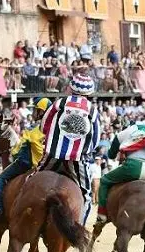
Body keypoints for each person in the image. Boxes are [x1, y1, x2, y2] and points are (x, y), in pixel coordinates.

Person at [37, 74, 100, 225]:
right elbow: (95, 140)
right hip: (76, 159)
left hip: (52, 155)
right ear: (89, 92)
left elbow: (43, 126)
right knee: (86, 195)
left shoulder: (59, 103)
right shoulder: (92, 110)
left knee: (32, 180)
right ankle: (80, 225)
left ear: (71, 88)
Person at [0, 97, 52, 228]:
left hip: (31, 165)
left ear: (41, 112)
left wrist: (12, 151)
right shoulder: (55, 132)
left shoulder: (32, 132)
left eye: (36, 110)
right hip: (50, 167)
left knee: (0, 179)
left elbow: (16, 151)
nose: (33, 113)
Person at [95, 122, 145, 224]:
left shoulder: (123, 134)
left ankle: (102, 214)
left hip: (132, 167)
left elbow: (111, 155)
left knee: (104, 180)